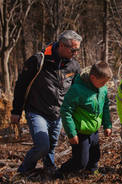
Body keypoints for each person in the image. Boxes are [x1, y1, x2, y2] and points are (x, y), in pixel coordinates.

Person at [11, 30, 82, 174]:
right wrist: (16, 111)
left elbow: (76, 91)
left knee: (51, 145)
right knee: (42, 145)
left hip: (58, 113)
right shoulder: (39, 60)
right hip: (37, 111)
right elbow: (21, 85)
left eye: (78, 49)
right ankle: (24, 171)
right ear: (62, 45)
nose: (76, 53)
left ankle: (49, 168)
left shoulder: (74, 66)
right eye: (73, 49)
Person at [55, 61, 112, 178]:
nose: (104, 84)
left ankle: (91, 172)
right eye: (102, 82)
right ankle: (62, 172)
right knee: (80, 162)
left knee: (95, 156)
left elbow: (105, 106)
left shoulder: (102, 89)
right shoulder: (77, 90)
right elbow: (66, 111)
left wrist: (107, 125)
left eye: (106, 82)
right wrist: (71, 133)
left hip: (94, 129)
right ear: (92, 77)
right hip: (80, 132)